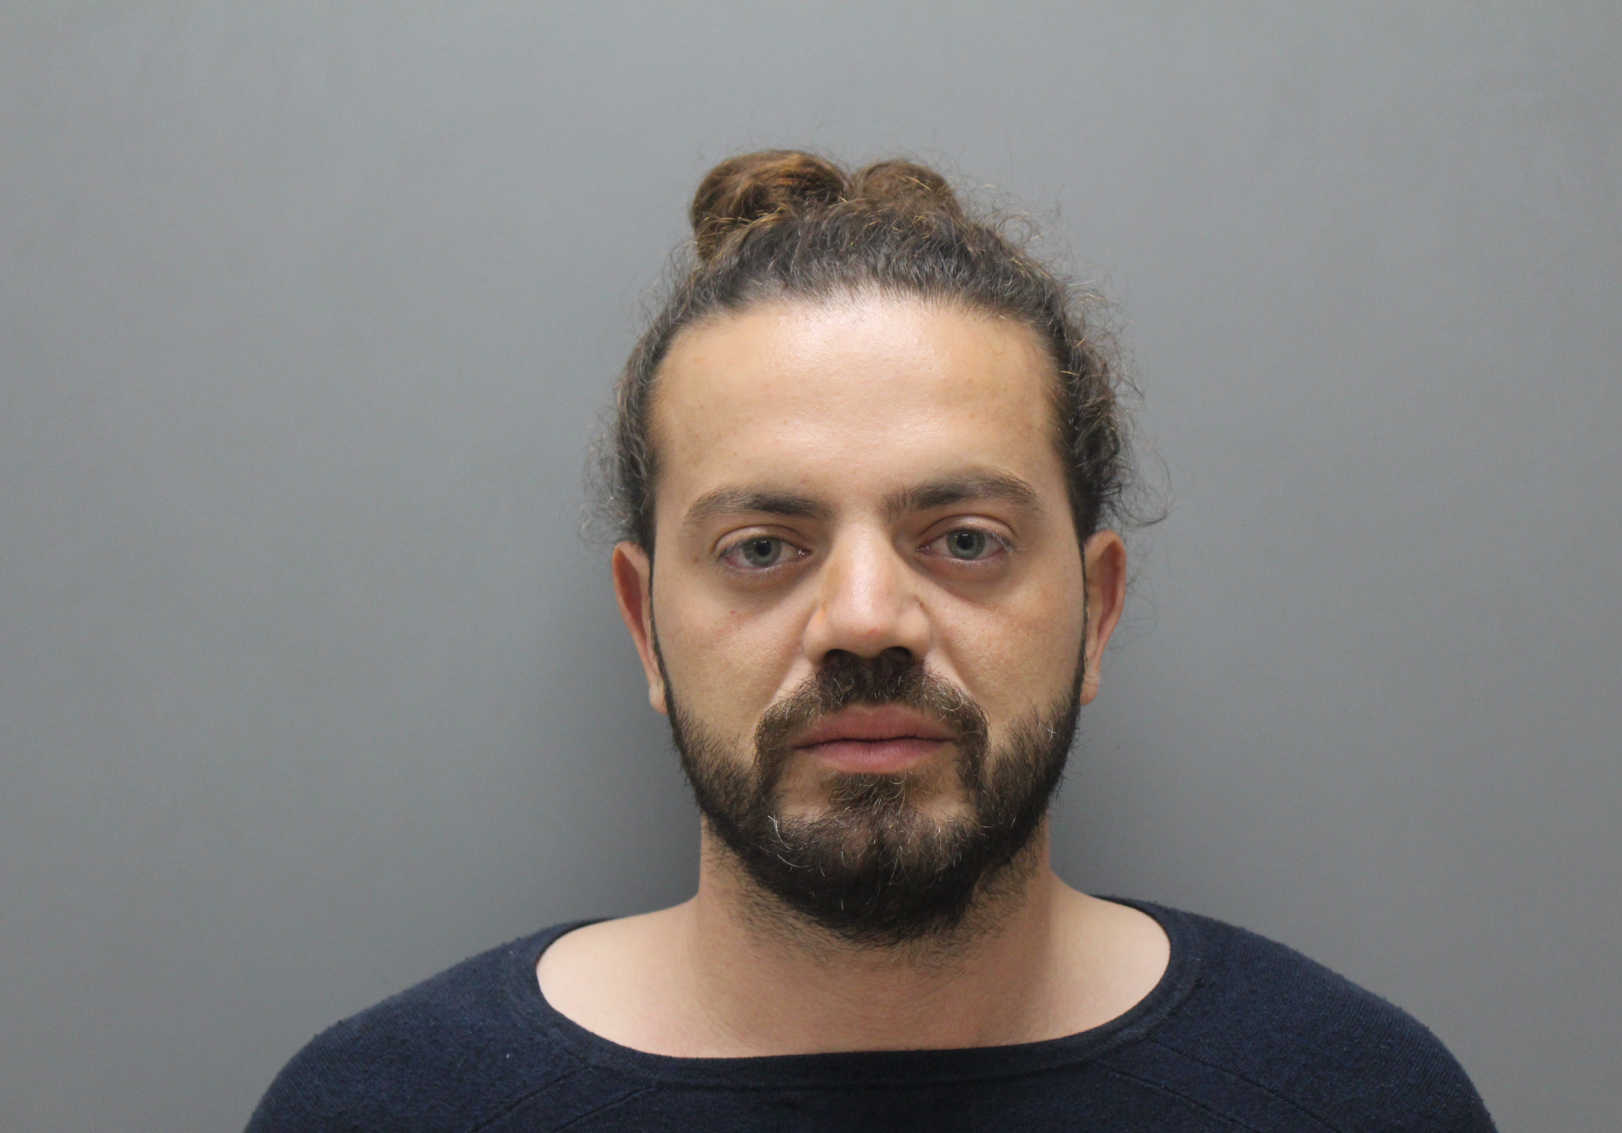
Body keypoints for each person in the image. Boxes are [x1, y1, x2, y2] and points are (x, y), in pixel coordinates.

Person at [248, 151, 1495, 1131]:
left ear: (1097, 609)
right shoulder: (388, 1107)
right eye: (761, 547)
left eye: (963, 539)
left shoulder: (1352, 1099)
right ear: (644, 624)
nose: (862, 620)